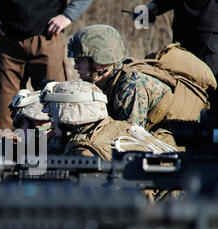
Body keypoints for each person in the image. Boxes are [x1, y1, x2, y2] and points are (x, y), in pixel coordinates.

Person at [40, 80, 184, 202]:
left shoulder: (83, 153)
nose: (51, 123)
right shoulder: (121, 127)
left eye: (53, 117)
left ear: (70, 116)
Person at [67, 24, 216, 131]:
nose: (75, 67)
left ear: (100, 62)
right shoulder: (109, 80)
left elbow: (128, 139)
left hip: (177, 140)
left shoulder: (131, 86)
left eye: (79, 61)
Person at [0, 0, 94, 130]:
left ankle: (54, 148)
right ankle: (7, 148)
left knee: (57, 109)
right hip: (8, 40)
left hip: (48, 38)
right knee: (2, 118)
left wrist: (68, 15)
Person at [146, 0, 217, 107]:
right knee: (182, 80)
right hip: (185, 31)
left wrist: (155, 6)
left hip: (206, 31)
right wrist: (154, 6)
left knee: (209, 83)